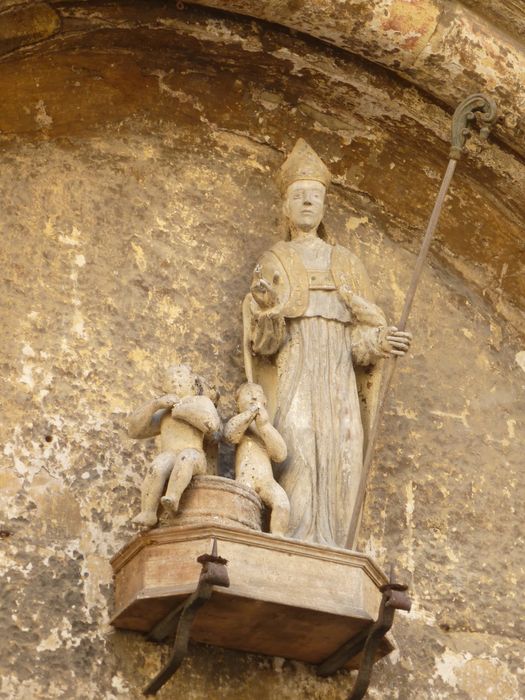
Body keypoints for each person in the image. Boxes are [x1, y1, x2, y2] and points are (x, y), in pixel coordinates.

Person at [242, 139, 411, 548]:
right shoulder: (274, 260)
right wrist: (266, 312)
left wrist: (381, 340)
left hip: (337, 374)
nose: (305, 204)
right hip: (296, 368)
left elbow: (359, 342)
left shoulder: (347, 264)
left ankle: (337, 544)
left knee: (345, 451)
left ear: (323, 206)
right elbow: (263, 347)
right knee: (297, 446)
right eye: (297, 197)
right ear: (285, 207)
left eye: (313, 197)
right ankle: (298, 540)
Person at [128, 364, 221, 528]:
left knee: (186, 459)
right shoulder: (165, 412)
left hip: (195, 454)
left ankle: (173, 496)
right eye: (169, 378)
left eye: (179, 374)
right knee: (158, 466)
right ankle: (148, 512)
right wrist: (155, 405)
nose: (174, 379)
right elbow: (135, 431)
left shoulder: (201, 401)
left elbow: (212, 425)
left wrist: (182, 411)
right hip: (169, 453)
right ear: (164, 387)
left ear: (192, 381)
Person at [224, 382, 290, 536]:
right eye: (248, 393)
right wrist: (249, 414)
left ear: (265, 401)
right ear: (237, 402)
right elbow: (230, 435)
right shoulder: (240, 422)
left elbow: (280, 455)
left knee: (282, 504)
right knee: (242, 511)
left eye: (258, 393)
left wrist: (264, 425)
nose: (254, 396)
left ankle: (277, 539)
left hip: (266, 479)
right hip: (245, 477)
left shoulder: (266, 426)